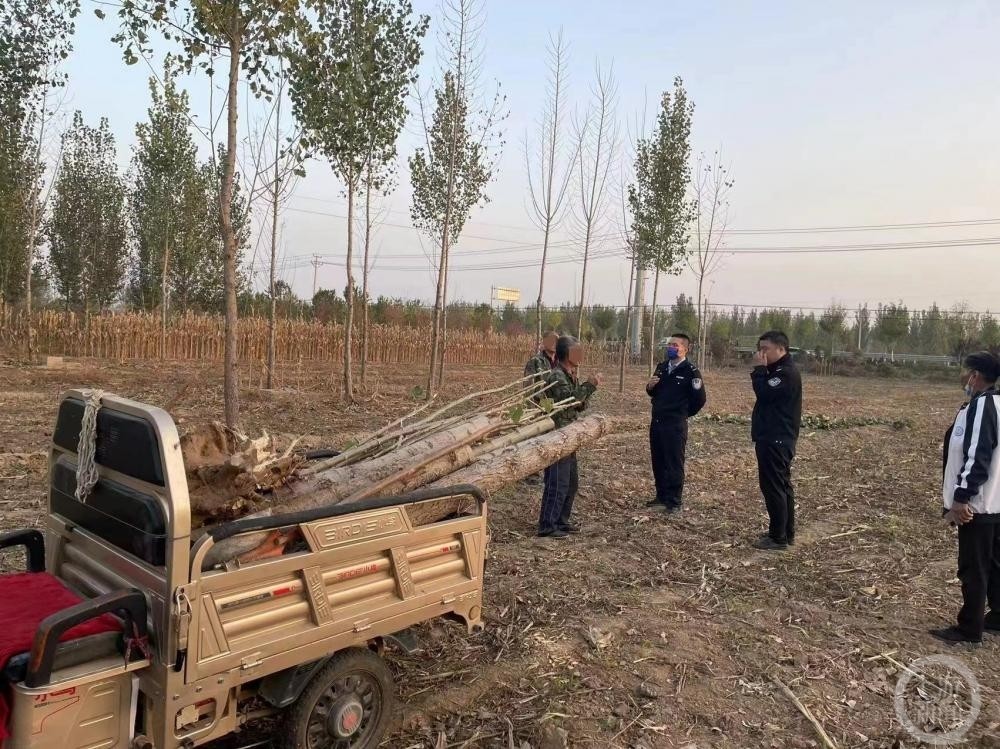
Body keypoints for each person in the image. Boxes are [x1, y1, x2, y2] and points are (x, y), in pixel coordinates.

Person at [931, 351, 1000, 645]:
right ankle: (997, 617)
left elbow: (977, 456)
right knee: (995, 563)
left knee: (973, 567)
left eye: (965, 372)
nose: (963, 377)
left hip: (978, 504)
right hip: (995, 502)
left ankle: (969, 629)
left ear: (975, 376)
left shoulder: (983, 406)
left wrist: (961, 498)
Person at [538, 336, 602, 539]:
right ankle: (547, 525)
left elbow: (578, 403)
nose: (580, 355)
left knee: (571, 483)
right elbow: (570, 400)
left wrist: (585, 394)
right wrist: (589, 386)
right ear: (567, 354)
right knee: (557, 482)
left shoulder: (569, 374)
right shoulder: (557, 376)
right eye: (577, 351)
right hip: (558, 436)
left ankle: (561, 521)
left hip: (570, 435)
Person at [750, 330, 802, 550]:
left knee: (774, 487)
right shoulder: (778, 370)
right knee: (781, 485)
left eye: (766, 349)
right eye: (759, 349)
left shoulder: (785, 373)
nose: (761, 354)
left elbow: (764, 393)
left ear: (781, 349)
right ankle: (785, 532)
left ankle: (778, 537)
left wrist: (759, 370)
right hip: (774, 436)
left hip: (776, 438)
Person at [645, 333, 706, 513]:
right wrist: (649, 387)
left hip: (675, 424)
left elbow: (699, 399)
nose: (671, 347)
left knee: (673, 462)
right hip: (657, 421)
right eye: (669, 344)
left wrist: (683, 414)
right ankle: (661, 495)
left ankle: (674, 500)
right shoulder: (662, 367)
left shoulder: (691, 371)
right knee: (659, 460)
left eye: (675, 345)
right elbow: (653, 392)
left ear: (685, 349)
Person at [523, 330, 559, 485]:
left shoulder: (560, 361)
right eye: (550, 340)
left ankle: (550, 469)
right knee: (535, 437)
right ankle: (532, 472)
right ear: (544, 342)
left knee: (553, 437)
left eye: (557, 341)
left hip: (556, 405)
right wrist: (531, 408)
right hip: (539, 404)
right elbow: (528, 387)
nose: (554, 343)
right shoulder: (535, 361)